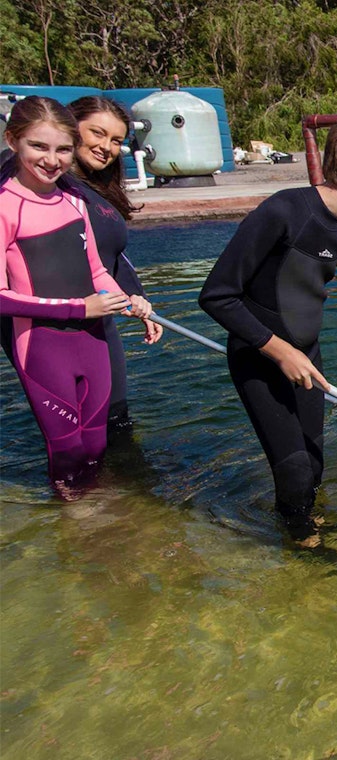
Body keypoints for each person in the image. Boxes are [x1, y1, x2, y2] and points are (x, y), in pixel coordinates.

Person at [198, 114, 337, 548]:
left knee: (314, 468)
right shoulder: (284, 211)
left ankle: (306, 530)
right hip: (260, 358)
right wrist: (278, 350)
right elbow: (217, 295)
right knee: (295, 469)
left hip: (307, 361)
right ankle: (305, 559)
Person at [0, 96, 153, 494]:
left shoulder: (74, 198)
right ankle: (78, 528)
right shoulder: (5, 204)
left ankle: (105, 525)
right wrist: (80, 307)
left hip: (92, 340)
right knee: (66, 450)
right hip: (43, 345)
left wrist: (129, 302)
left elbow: (98, 270)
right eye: (39, 146)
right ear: (12, 141)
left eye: (62, 150)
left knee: (98, 444)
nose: (52, 159)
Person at [67, 96, 163, 428]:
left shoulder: (100, 192)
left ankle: (125, 483)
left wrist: (139, 298)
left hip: (102, 321)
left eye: (116, 141)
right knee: (80, 429)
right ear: (71, 127)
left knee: (117, 422)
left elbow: (113, 256)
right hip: (60, 324)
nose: (106, 147)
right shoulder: (48, 186)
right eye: (97, 133)